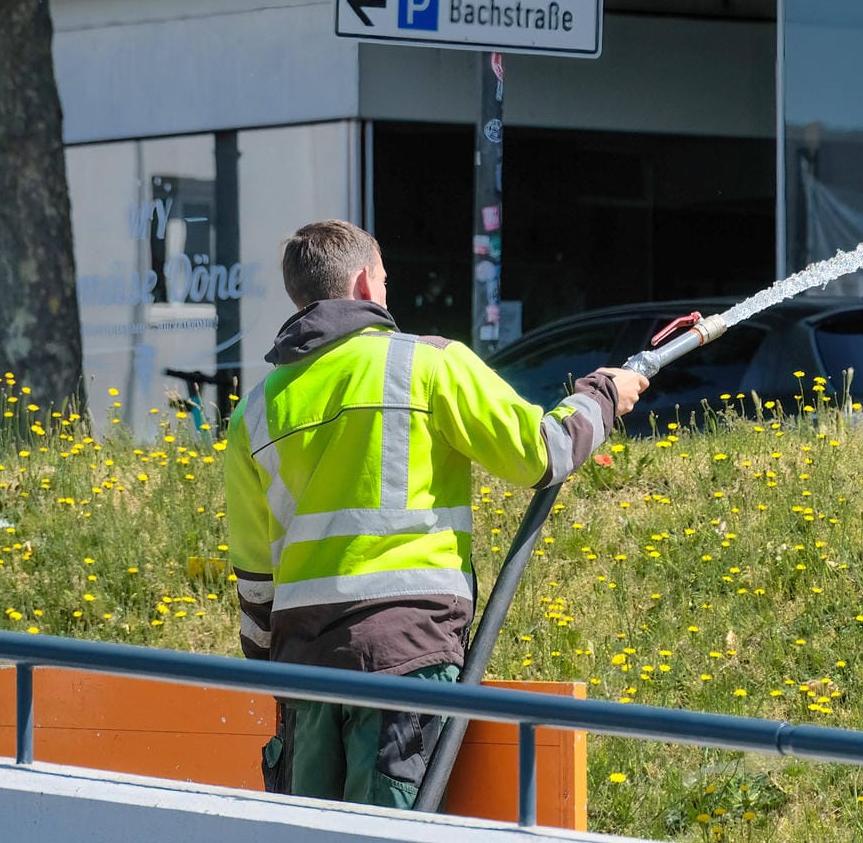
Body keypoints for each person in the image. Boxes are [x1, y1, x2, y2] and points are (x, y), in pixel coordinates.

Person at [224, 219, 647, 808]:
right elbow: (544, 453)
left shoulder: (256, 412)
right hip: (405, 651)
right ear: (366, 285)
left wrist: (279, 671)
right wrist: (602, 393)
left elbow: (254, 579)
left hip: (304, 669)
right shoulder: (428, 364)